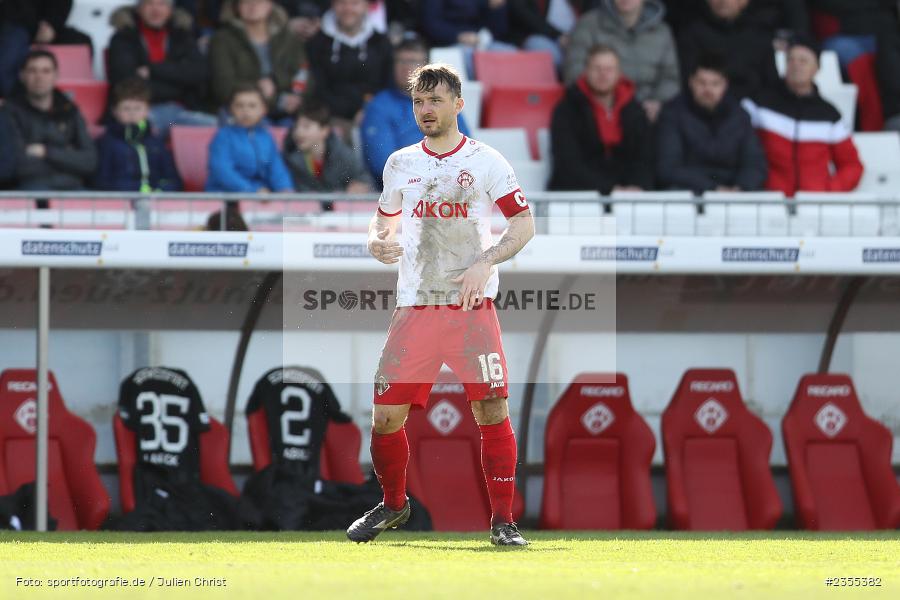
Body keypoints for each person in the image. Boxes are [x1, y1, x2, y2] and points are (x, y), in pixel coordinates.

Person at [346, 63, 534, 547]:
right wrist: (375, 241)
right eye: (418, 102)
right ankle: (393, 505)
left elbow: (522, 226)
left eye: (435, 100)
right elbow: (382, 220)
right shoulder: (400, 163)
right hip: (417, 306)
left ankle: (502, 521)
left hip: (471, 307)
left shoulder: (487, 161)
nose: (425, 110)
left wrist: (485, 261)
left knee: (491, 410)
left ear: (458, 104)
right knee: (386, 417)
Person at [743, 35, 863, 196]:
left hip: (814, 206)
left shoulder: (829, 114)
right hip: (768, 201)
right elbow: (737, 147)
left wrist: (828, 191)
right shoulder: (759, 103)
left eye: (803, 60)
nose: (796, 65)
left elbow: (852, 165)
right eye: (791, 60)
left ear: (817, 68)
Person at [360, 37, 471, 185]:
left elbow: (466, 151)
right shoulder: (379, 106)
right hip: (400, 195)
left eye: (413, 62)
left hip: (448, 191)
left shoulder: (446, 101)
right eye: (400, 61)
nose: (406, 67)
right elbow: (384, 164)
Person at [656, 53, 767, 194]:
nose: (708, 90)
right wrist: (713, 189)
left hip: (734, 195)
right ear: (691, 82)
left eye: (715, 83)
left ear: (725, 84)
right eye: (702, 82)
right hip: (690, 195)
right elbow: (668, 168)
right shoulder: (672, 114)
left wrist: (740, 187)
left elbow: (755, 164)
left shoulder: (739, 116)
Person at [549, 44, 653, 194]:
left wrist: (637, 187)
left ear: (619, 73)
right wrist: (610, 190)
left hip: (629, 197)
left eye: (609, 69)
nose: (603, 74)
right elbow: (568, 164)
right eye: (597, 68)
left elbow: (645, 159)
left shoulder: (635, 111)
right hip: (578, 198)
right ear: (586, 71)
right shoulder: (566, 110)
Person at [106, 0, 215, 137]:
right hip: (143, 112)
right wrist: (178, 83)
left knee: (216, 128)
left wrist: (152, 70)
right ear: (139, 9)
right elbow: (126, 80)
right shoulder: (123, 38)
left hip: (181, 113)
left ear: (170, 10)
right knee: (145, 131)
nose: (156, 10)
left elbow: (199, 73)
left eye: (162, 4)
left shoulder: (182, 35)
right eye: (149, 4)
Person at [564, 0, 679, 122]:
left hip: (651, 114)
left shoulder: (662, 31)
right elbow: (574, 73)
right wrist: (608, 102)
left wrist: (657, 103)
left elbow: (670, 78)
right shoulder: (588, 25)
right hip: (601, 112)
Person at [6, 50, 97, 192]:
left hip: (73, 188)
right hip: (30, 190)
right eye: (32, 71)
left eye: (46, 71)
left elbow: (90, 161)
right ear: (22, 76)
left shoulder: (70, 111)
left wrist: (45, 152)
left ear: (56, 75)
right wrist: (68, 156)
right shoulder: (9, 112)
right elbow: (14, 165)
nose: (39, 77)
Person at [209, 0, 311, 123]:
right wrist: (264, 92)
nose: (253, 6)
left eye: (259, 1)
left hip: (290, 110)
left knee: (312, 133)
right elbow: (223, 87)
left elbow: (304, 73)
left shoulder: (287, 38)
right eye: (246, 2)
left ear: (270, 5)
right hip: (244, 110)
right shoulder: (222, 39)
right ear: (237, 7)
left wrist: (296, 98)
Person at [307, 0, 393, 132]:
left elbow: (386, 84)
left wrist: (368, 110)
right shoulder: (317, 44)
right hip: (330, 120)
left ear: (366, 6)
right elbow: (317, 87)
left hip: (373, 116)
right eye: (341, 3)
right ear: (332, 5)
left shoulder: (381, 43)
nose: (348, 9)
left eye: (354, 3)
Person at [677, 0, 780, 103]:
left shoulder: (760, 36)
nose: (723, 2)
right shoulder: (692, 35)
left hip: (754, 107)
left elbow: (771, 82)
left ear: (744, 2)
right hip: (706, 106)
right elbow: (688, 79)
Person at [94, 78, 182, 192]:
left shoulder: (157, 143)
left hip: (157, 204)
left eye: (138, 108)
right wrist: (140, 190)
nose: (132, 113)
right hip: (120, 205)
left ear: (147, 110)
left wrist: (159, 191)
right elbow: (102, 182)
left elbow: (174, 181)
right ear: (114, 111)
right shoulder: (106, 143)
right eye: (126, 108)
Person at [206, 84, 294, 193]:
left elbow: (276, 168)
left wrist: (285, 189)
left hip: (261, 199)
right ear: (231, 109)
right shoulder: (223, 137)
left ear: (264, 109)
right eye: (239, 105)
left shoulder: (266, 137)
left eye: (252, 106)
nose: (245, 111)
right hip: (227, 199)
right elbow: (222, 171)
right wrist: (252, 190)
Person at [284, 102, 373, 203]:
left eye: (306, 126)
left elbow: (364, 178)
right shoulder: (290, 158)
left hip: (339, 215)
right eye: (296, 127)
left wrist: (360, 185)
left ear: (324, 130)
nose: (298, 132)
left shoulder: (342, 154)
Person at [420, 0, 518, 79]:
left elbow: (499, 30)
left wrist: (496, 8)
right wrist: (458, 36)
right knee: (469, 56)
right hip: (449, 42)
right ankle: (477, 98)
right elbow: (431, 24)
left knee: (510, 52)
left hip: (480, 41)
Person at [506, 0, 585, 68]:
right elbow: (528, 18)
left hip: (555, 35)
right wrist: (558, 36)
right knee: (555, 58)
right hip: (526, 37)